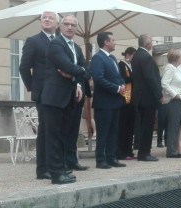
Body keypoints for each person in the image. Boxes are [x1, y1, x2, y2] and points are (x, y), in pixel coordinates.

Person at [41, 15, 90, 184]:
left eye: (73, 25)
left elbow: (86, 70)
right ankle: (56, 174)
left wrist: (74, 76)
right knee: (53, 136)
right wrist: (79, 72)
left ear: (76, 29)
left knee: (63, 136)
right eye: (66, 24)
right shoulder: (55, 44)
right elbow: (67, 65)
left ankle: (62, 169)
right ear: (60, 27)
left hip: (69, 97)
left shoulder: (76, 47)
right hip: (54, 97)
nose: (70, 27)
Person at [19, 11, 58, 180]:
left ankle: (58, 165)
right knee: (45, 130)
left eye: (50, 18)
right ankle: (43, 169)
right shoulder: (33, 41)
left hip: (60, 92)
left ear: (57, 23)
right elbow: (23, 67)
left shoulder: (61, 41)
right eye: (44, 18)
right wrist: (32, 87)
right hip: (43, 92)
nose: (47, 19)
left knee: (57, 130)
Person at [90, 32, 127, 169]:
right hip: (104, 102)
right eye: (113, 40)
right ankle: (100, 159)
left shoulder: (112, 58)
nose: (115, 42)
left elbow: (118, 76)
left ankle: (111, 157)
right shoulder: (97, 58)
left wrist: (122, 84)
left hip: (115, 101)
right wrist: (117, 88)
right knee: (103, 132)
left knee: (113, 131)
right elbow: (99, 79)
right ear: (106, 42)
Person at [131, 34, 162, 162]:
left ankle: (142, 152)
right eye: (151, 41)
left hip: (139, 96)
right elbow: (151, 78)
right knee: (147, 126)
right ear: (147, 44)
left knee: (143, 125)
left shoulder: (136, 55)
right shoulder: (146, 57)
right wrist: (159, 94)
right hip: (147, 97)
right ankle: (144, 153)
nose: (152, 44)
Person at [117, 47, 137, 160]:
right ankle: (122, 151)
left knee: (130, 128)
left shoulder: (131, 66)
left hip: (132, 99)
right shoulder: (121, 65)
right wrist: (134, 77)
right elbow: (123, 79)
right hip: (125, 99)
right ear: (128, 55)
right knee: (123, 127)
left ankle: (129, 150)